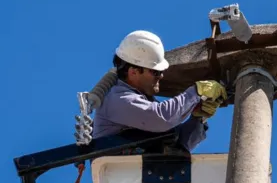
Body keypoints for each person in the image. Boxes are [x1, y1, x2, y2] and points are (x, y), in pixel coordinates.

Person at [92, 30, 227, 151]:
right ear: (133, 72)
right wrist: (197, 91)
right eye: (155, 72)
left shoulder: (142, 101)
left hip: (143, 174)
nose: (161, 76)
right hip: (121, 174)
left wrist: (198, 118)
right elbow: (162, 118)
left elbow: (179, 145)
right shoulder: (116, 99)